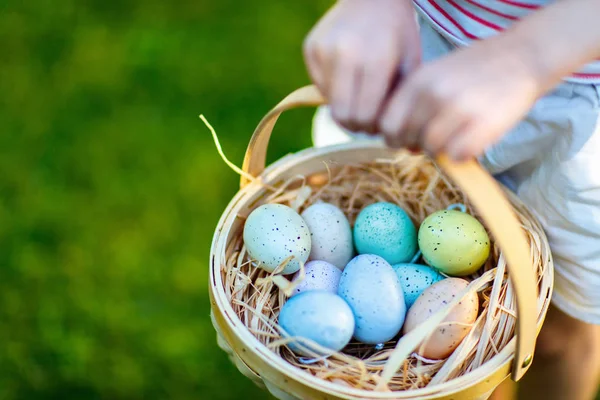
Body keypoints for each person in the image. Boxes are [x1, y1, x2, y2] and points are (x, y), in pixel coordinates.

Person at [302, 0, 600, 399]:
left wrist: (530, 55)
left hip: (576, 87)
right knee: (462, 356)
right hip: (419, 46)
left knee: (554, 334)